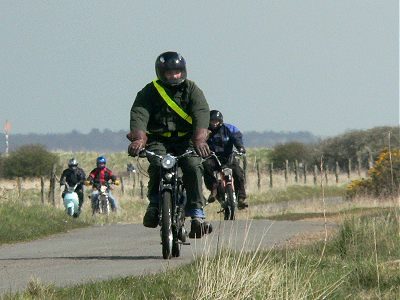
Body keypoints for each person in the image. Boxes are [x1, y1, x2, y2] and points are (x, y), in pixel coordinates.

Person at [127, 51, 212, 238]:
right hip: (159, 140)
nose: (174, 76)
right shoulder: (149, 91)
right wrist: (139, 138)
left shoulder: (192, 89)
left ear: (183, 72)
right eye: (169, 73)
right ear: (161, 73)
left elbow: (201, 112)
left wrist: (199, 139)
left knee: (193, 166)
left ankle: (197, 215)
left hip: (187, 140)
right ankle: (155, 203)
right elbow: (139, 113)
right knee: (157, 165)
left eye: (177, 72)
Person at [203, 110, 248, 209]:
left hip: (228, 157)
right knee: (206, 166)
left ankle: (240, 199)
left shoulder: (229, 128)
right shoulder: (204, 130)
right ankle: (214, 190)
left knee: (238, 173)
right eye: (212, 121)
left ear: (220, 121)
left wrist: (240, 147)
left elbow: (237, 138)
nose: (214, 123)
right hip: (212, 158)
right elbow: (199, 141)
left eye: (216, 121)